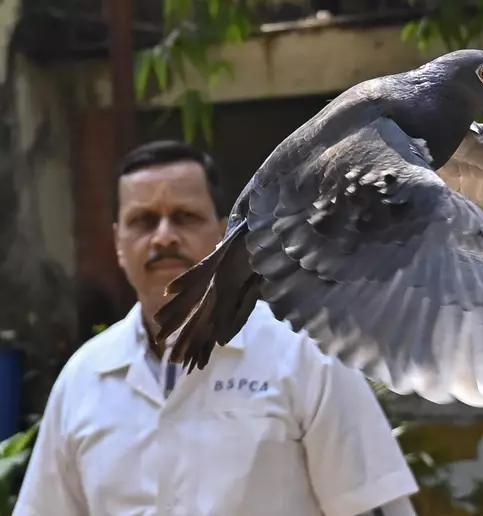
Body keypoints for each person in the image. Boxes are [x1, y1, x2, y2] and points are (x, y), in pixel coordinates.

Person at [14, 141, 418, 516]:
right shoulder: (83, 379)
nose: (164, 236)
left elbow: (373, 505)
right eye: (143, 220)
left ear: (224, 232)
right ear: (119, 242)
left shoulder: (304, 354)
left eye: (184, 217)